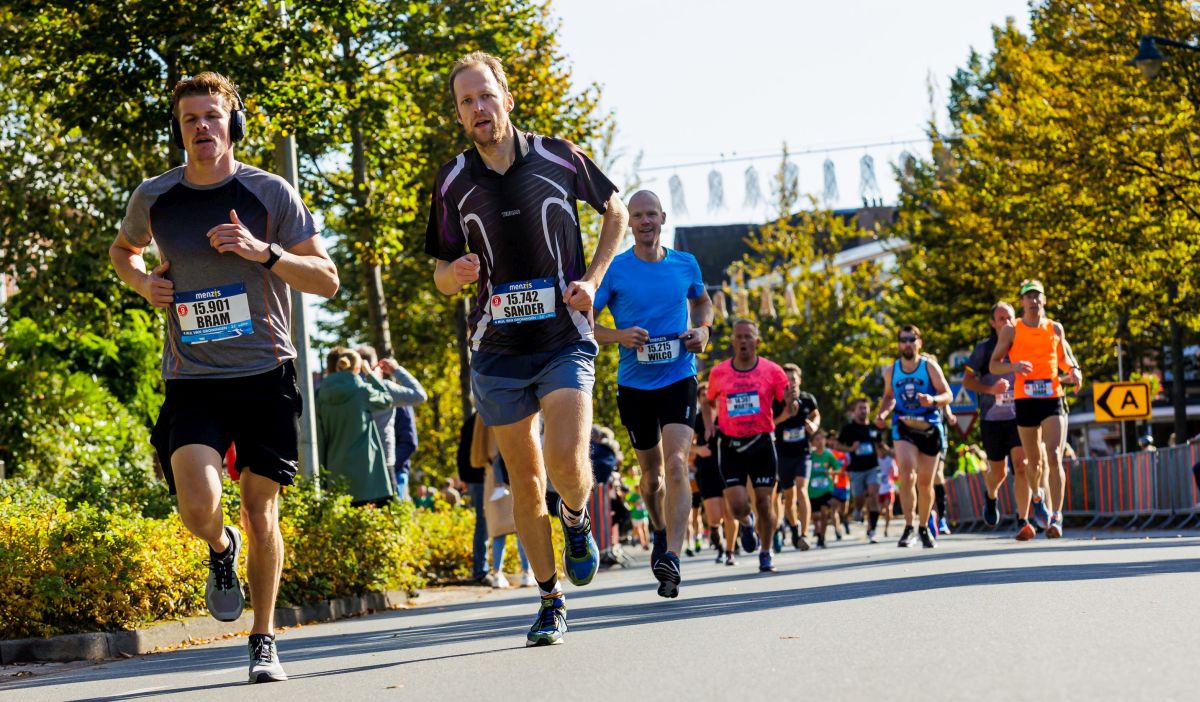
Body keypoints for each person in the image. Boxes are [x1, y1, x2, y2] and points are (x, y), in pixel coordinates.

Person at [110, 72, 339, 683]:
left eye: (212, 116)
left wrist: (263, 252)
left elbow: (327, 279)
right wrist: (143, 283)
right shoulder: (155, 197)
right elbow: (123, 251)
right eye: (190, 119)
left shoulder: (269, 192)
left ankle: (263, 639)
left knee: (262, 512)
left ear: (232, 123)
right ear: (179, 130)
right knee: (197, 504)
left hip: (265, 374)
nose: (202, 127)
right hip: (193, 378)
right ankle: (220, 546)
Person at [426, 51, 628, 646]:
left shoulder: (558, 157)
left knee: (566, 460)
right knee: (525, 479)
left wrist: (593, 279)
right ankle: (549, 599)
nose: (478, 108)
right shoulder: (452, 181)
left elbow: (615, 209)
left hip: (564, 335)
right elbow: (440, 274)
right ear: (459, 115)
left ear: (507, 99)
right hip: (497, 349)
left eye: (486, 96)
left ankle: (576, 518)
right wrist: (455, 273)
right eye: (466, 102)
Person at [593, 188, 712, 598]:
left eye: (651, 214)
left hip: (679, 376)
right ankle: (659, 529)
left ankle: (673, 556)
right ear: (629, 222)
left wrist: (703, 330)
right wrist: (619, 336)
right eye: (637, 215)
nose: (645, 221)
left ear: (663, 218)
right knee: (651, 477)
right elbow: (584, 322)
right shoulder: (615, 270)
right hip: (634, 385)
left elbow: (702, 302)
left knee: (677, 464)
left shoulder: (685, 263)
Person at [990, 280, 1081, 540]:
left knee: (1054, 455)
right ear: (1021, 302)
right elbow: (994, 365)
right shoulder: (1011, 330)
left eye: (1037, 296)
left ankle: (1057, 517)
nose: (1033, 301)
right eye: (1028, 297)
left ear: (1044, 300)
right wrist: (1013, 366)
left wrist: (1075, 371)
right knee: (1033, 462)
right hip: (1026, 399)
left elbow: (1065, 360)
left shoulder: (1055, 328)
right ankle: (1038, 498)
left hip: (1052, 397)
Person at [705, 319, 789, 573]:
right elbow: (708, 401)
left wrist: (793, 403)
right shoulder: (719, 372)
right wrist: (709, 425)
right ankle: (746, 522)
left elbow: (788, 401)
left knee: (765, 502)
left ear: (757, 341)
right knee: (738, 506)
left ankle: (766, 552)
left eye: (748, 336)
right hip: (731, 445)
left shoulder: (773, 371)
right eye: (739, 336)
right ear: (733, 341)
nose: (743, 341)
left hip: (762, 443)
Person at [875, 325, 953, 548]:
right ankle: (909, 527)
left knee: (925, 482)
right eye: (903, 340)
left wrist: (933, 400)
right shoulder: (892, 370)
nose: (907, 343)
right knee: (907, 475)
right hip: (904, 427)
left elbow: (948, 394)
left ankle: (924, 527)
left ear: (919, 342)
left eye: (911, 339)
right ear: (899, 344)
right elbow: (889, 396)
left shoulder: (929, 367)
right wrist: (882, 413)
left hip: (929, 427)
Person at [962, 302, 1032, 528]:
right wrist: (991, 389)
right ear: (992, 323)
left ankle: (1023, 519)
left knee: (1021, 466)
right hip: (992, 419)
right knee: (999, 472)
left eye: (1010, 317)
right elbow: (967, 381)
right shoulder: (984, 349)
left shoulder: (1023, 342)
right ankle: (991, 496)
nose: (1007, 322)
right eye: (1001, 319)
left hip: (1018, 416)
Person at [316, 347, 397, 506]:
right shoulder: (362, 390)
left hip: (335, 470)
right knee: (380, 514)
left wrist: (322, 477)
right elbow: (387, 400)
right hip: (367, 471)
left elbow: (320, 438)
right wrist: (370, 375)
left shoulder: (320, 395)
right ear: (358, 368)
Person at [356, 346, 428, 501]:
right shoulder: (386, 389)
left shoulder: (348, 391)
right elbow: (420, 395)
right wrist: (396, 370)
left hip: (355, 462)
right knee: (388, 512)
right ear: (375, 366)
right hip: (385, 461)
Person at [773, 363, 821, 551]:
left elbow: (816, 414)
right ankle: (794, 528)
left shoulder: (808, 399)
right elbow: (769, 423)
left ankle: (805, 534)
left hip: (803, 453)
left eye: (793, 379)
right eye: (787, 380)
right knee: (789, 496)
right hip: (783, 454)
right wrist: (783, 416)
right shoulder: (776, 402)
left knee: (802, 489)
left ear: (799, 380)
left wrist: (814, 425)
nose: (790, 383)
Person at [695, 380, 739, 565]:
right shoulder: (696, 419)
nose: (707, 396)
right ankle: (716, 536)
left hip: (728, 467)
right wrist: (698, 450)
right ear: (698, 399)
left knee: (730, 513)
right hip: (707, 469)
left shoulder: (726, 414)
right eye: (702, 394)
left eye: (709, 392)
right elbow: (684, 445)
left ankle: (729, 552)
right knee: (714, 517)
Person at [830, 398, 885, 542]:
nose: (863, 411)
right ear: (854, 411)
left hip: (873, 467)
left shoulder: (873, 428)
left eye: (865, 408)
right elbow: (837, 445)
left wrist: (890, 452)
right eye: (860, 408)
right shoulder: (848, 429)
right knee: (859, 498)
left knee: (873, 496)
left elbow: (881, 444)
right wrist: (850, 449)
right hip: (856, 470)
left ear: (869, 410)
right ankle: (858, 509)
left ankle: (872, 530)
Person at [808, 431, 840, 548]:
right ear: (812, 442)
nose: (820, 441)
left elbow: (837, 468)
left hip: (826, 489)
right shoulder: (810, 456)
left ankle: (822, 537)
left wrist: (830, 472)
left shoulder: (829, 455)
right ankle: (817, 530)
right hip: (812, 490)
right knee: (815, 515)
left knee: (824, 512)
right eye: (817, 439)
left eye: (822, 439)